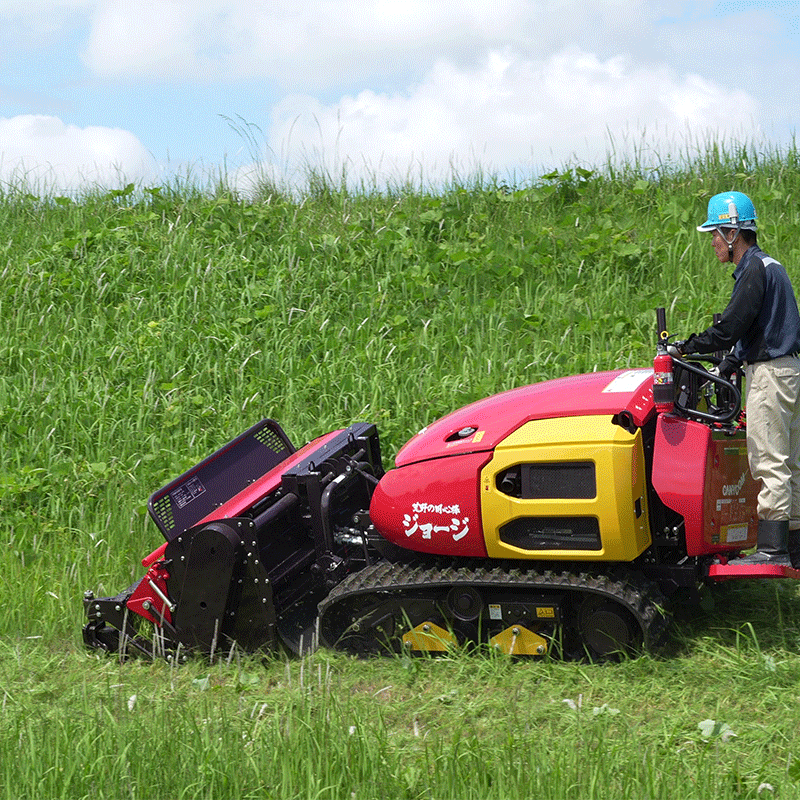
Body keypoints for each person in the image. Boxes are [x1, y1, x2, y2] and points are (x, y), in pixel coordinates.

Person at [672, 191, 800, 567]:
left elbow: (730, 328)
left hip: (770, 376)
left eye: (714, 233)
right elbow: (759, 329)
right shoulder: (772, 266)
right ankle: (793, 548)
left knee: (768, 460)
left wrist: (686, 347)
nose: (712, 242)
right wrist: (731, 362)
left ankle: (771, 549)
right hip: (791, 371)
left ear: (733, 233)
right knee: (792, 462)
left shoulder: (753, 269)